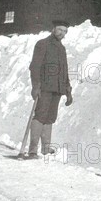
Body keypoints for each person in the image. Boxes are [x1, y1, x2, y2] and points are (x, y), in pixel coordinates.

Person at [28, 19, 73, 157]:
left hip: (58, 88)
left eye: (65, 31)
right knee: (40, 115)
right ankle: (32, 149)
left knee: (50, 117)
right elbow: (35, 66)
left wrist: (68, 90)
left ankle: (46, 148)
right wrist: (36, 86)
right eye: (60, 30)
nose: (62, 33)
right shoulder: (42, 44)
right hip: (45, 87)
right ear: (53, 29)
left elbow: (64, 70)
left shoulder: (62, 48)